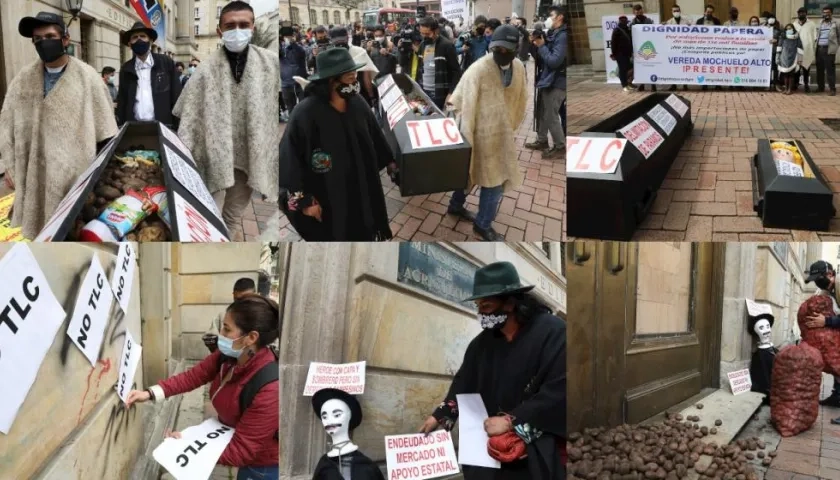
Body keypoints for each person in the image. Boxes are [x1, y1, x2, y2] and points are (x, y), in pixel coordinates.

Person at [418, 262, 567, 480]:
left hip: (533, 449)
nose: (480, 314)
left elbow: (561, 388)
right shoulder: (480, 345)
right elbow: (463, 382)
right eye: (478, 306)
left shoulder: (553, 331)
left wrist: (511, 421)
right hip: (487, 455)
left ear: (509, 303)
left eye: (486, 306)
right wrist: (440, 414)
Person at [126, 294, 281, 480]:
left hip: (262, 467)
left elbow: (242, 450)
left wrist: (186, 445)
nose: (220, 335)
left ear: (251, 338)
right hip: (233, 440)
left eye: (226, 329)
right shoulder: (229, 356)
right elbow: (193, 376)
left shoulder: (270, 388)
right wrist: (150, 393)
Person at [0, 11, 118, 239]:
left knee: (70, 233)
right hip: (34, 173)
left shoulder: (88, 77)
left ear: (65, 38)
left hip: (75, 177)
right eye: (38, 39)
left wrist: (99, 178)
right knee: (39, 234)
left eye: (50, 36)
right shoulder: (22, 80)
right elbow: (7, 123)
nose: (44, 43)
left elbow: (107, 133)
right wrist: (9, 165)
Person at [172, 1, 279, 240]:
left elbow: (272, 110)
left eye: (244, 24)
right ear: (220, 30)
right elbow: (188, 113)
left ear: (252, 28)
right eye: (230, 25)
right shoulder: (205, 68)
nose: (237, 30)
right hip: (213, 158)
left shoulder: (270, 64)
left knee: (232, 216)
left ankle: (228, 241)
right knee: (208, 214)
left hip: (249, 156)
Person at [278, 48, 396, 241]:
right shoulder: (305, 113)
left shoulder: (357, 103)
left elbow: (375, 134)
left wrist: (390, 162)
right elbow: (289, 161)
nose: (353, 77)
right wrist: (304, 202)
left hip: (361, 188)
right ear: (329, 80)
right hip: (328, 193)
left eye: (353, 72)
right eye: (346, 73)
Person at [446, 25, 527, 241]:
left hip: (501, 134)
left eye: (505, 50)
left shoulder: (518, 68)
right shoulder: (479, 69)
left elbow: (521, 97)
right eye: (496, 49)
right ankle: (481, 224)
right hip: (476, 132)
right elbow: (459, 100)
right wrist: (466, 136)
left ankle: (463, 211)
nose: (500, 54)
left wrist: (510, 124)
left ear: (516, 49)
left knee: (491, 177)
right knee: (475, 174)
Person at [115, 21, 181, 128]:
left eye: (143, 36)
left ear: (150, 41)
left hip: (163, 127)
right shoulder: (126, 69)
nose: (139, 39)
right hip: (134, 128)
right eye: (135, 37)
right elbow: (122, 100)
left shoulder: (165, 63)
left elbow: (177, 95)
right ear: (129, 44)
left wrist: (177, 125)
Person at [799, 261, 840, 417]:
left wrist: (827, 321)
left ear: (830, 274)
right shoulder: (824, 291)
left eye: (819, 277)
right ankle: (837, 397)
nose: (817, 281)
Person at [525, 5, 566, 160]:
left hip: (557, 82)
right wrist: (536, 43)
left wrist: (542, 46)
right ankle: (542, 140)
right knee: (543, 112)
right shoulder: (554, 33)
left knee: (551, 114)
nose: (549, 18)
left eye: (552, 15)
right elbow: (542, 57)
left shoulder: (563, 36)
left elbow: (554, 61)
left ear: (560, 17)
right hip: (548, 80)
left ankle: (560, 146)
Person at [203, 277, 258, 353]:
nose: (242, 304)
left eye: (246, 299)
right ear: (233, 295)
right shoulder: (224, 316)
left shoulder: (264, 317)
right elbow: (212, 337)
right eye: (238, 299)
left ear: (256, 295)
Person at [417, 16, 462, 110]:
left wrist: (451, 93)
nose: (424, 37)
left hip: (440, 95)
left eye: (427, 34)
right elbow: (421, 69)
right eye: (422, 34)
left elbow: (456, 72)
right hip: (423, 93)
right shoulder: (422, 45)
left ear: (436, 31)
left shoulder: (447, 46)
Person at [329, 27, 378, 105]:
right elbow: (366, 78)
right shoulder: (360, 51)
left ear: (331, 40)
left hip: (339, 98)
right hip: (360, 95)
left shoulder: (328, 55)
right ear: (347, 37)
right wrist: (371, 96)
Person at [629, 4, 656, 92]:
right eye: (637, 12)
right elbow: (630, 36)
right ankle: (642, 84)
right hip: (638, 49)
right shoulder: (632, 23)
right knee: (641, 67)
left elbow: (654, 32)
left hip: (648, 47)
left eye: (640, 12)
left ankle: (653, 85)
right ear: (634, 13)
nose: (638, 14)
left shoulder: (648, 21)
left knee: (651, 66)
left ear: (642, 11)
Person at [281, 30, 308, 115]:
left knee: (303, 108)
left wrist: (293, 43)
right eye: (286, 37)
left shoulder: (300, 49)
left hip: (299, 83)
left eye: (290, 36)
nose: (287, 38)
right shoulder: (282, 50)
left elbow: (301, 52)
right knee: (290, 109)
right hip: (286, 84)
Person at [815, 6, 840, 96]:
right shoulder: (820, 23)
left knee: (830, 70)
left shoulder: (836, 23)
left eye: (828, 12)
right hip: (819, 48)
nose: (826, 14)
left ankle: (832, 89)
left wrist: (836, 47)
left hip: (828, 49)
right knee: (819, 69)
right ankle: (820, 87)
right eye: (824, 12)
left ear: (831, 13)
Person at [794, 7, 817, 93]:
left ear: (806, 13)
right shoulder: (794, 24)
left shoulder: (811, 24)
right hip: (797, 50)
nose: (801, 14)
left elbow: (815, 37)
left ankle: (806, 85)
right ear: (798, 14)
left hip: (807, 50)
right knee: (796, 69)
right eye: (800, 13)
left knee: (806, 69)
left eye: (803, 13)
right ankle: (795, 84)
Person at [777, 23, 804, 95]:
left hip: (794, 57)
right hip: (784, 57)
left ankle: (790, 89)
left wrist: (800, 59)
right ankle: (786, 88)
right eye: (787, 29)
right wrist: (777, 57)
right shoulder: (783, 37)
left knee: (791, 74)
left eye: (790, 28)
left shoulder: (797, 37)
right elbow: (779, 47)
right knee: (785, 74)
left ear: (793, 29)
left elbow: (800, 47)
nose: (789, 30)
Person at [610, 16, 634, 93]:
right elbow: (613, 43)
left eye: (625, 21)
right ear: (620, 22)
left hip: (627, 54)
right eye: (623, 21)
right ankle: (624, 85)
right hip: (620, 54)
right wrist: (614, 54)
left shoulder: (627, 30)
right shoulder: (617, 30)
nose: (624, 23)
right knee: (622, 70)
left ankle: (627, 84)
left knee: (627, 69)